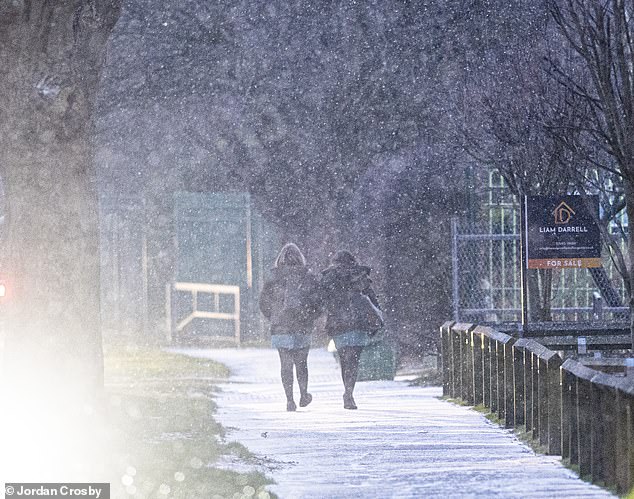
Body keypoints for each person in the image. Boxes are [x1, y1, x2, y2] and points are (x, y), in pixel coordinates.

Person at [259, 243, 321, 412]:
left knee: (285, 364)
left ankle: (289, 400)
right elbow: (317, 302)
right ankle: (303, 394)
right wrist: (309, 317)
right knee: (302, 363)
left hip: (280, 326)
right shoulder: (308, 277)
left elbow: (263, 303)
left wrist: (273, 317)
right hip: (302, 326)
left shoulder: (273, 278)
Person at [320, 250, 382, 409]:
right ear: (353, 261)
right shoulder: (360, 275)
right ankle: (349, 393)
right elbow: (371, 298)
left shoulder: (329, 278)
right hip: (358, 324)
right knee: (353, 360)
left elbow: (322, 301)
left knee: (344, 359)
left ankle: (348, 392)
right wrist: (376, 317)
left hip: (338, 324)